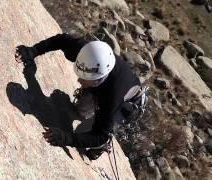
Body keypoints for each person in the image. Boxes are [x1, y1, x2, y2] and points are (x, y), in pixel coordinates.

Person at [15, 33, 144, 160]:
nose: (78, 81)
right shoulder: (88, 53)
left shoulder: (111, 98)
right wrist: (33, 51)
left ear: (97, 81)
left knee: (98, 130)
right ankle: (89, 95)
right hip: (105, 81)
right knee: (80, 111)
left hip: (128, 99)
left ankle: (103, 146)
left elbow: (100, 135)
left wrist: (67, 138)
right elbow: (61, 40)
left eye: (83, 79)